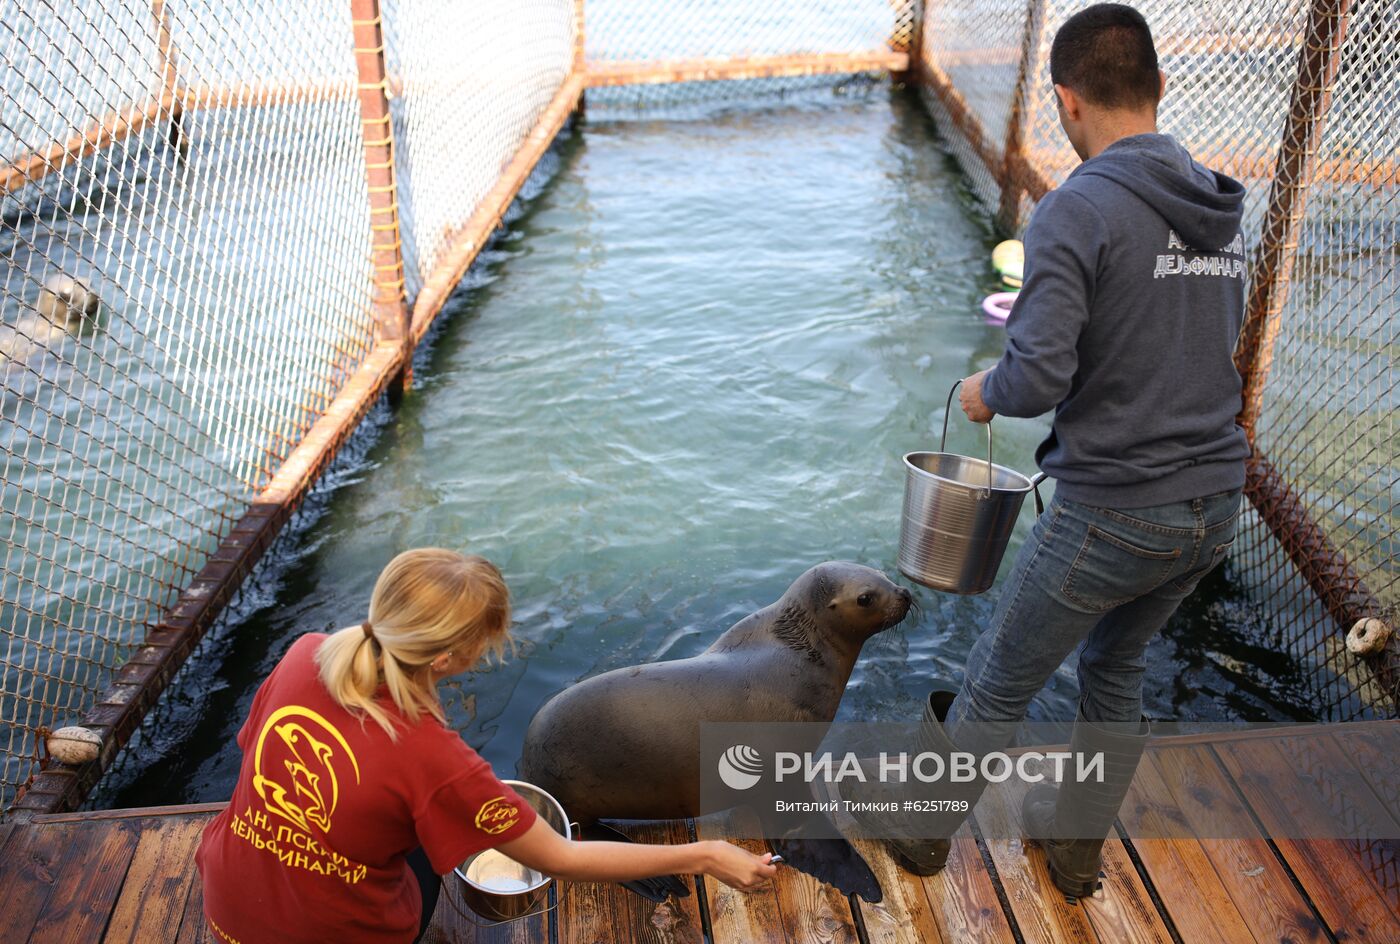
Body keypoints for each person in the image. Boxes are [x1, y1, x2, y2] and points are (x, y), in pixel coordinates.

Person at [851, 3, 1248, 898]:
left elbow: (1035, 378)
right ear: (1156, 88)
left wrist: (979, 394)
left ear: (1066, 102)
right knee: (1116, 664)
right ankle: (1073, 852)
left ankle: (916, 836)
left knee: (997, 681)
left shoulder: (1079, 208)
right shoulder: (1217, 202)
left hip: (1117, 511)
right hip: (1215, 504)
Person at [195, 548, 776, 944]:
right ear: (450, 659)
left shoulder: (306, 652)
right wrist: (705, 855)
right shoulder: (436, 757)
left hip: (226, 903)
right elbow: (564, 858)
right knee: (427, 861)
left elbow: (260, 757)